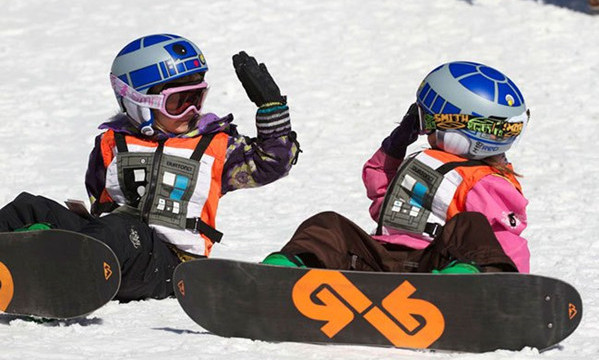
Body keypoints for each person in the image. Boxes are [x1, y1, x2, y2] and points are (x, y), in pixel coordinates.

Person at [0, 34, 300, 300]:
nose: (193, 110)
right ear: (138, 102)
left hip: (171, 264)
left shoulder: (214, 146)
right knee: (30, 208)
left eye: (198, 97)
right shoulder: (111, 143)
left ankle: (51, 285)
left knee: (121, 229)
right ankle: (28, 256)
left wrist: (271, 109)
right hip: (113, 248)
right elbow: (99, 196)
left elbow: (273, 161)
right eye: (179, 101)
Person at [263, 61, 530, 274]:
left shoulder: (484, 182)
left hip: (435, 267)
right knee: (327, 224)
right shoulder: (424, 160)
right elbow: (382, 197)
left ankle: (463, 281)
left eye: (428, 121)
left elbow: (503, 241)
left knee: (470, 226)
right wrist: (394, 146)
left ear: (460, 129)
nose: (424, 130)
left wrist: (511, 287)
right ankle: (284, 273)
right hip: (381, 262)